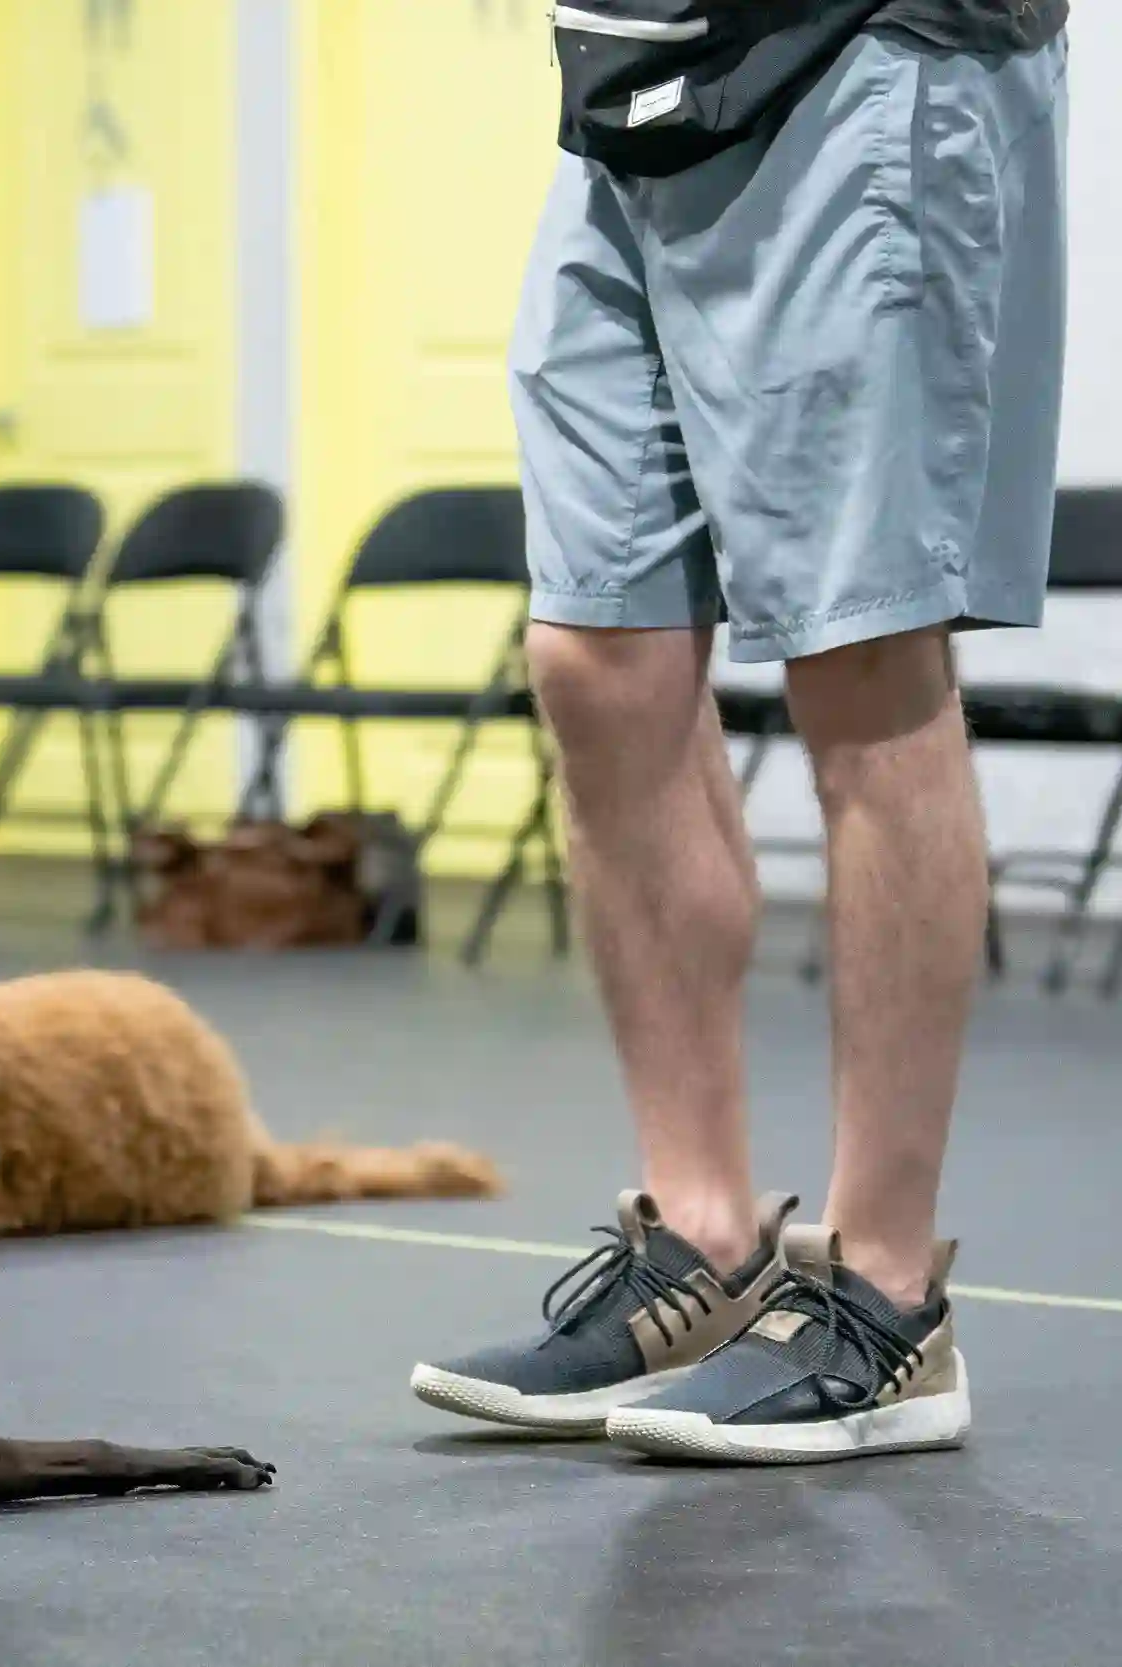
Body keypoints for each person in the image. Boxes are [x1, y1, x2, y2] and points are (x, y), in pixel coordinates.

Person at [413, 1, 1070, 1462]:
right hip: (631, 88)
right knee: (598, 653)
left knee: (861, 650)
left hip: (856, 53)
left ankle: (889, 1292)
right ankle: (702, 1238)